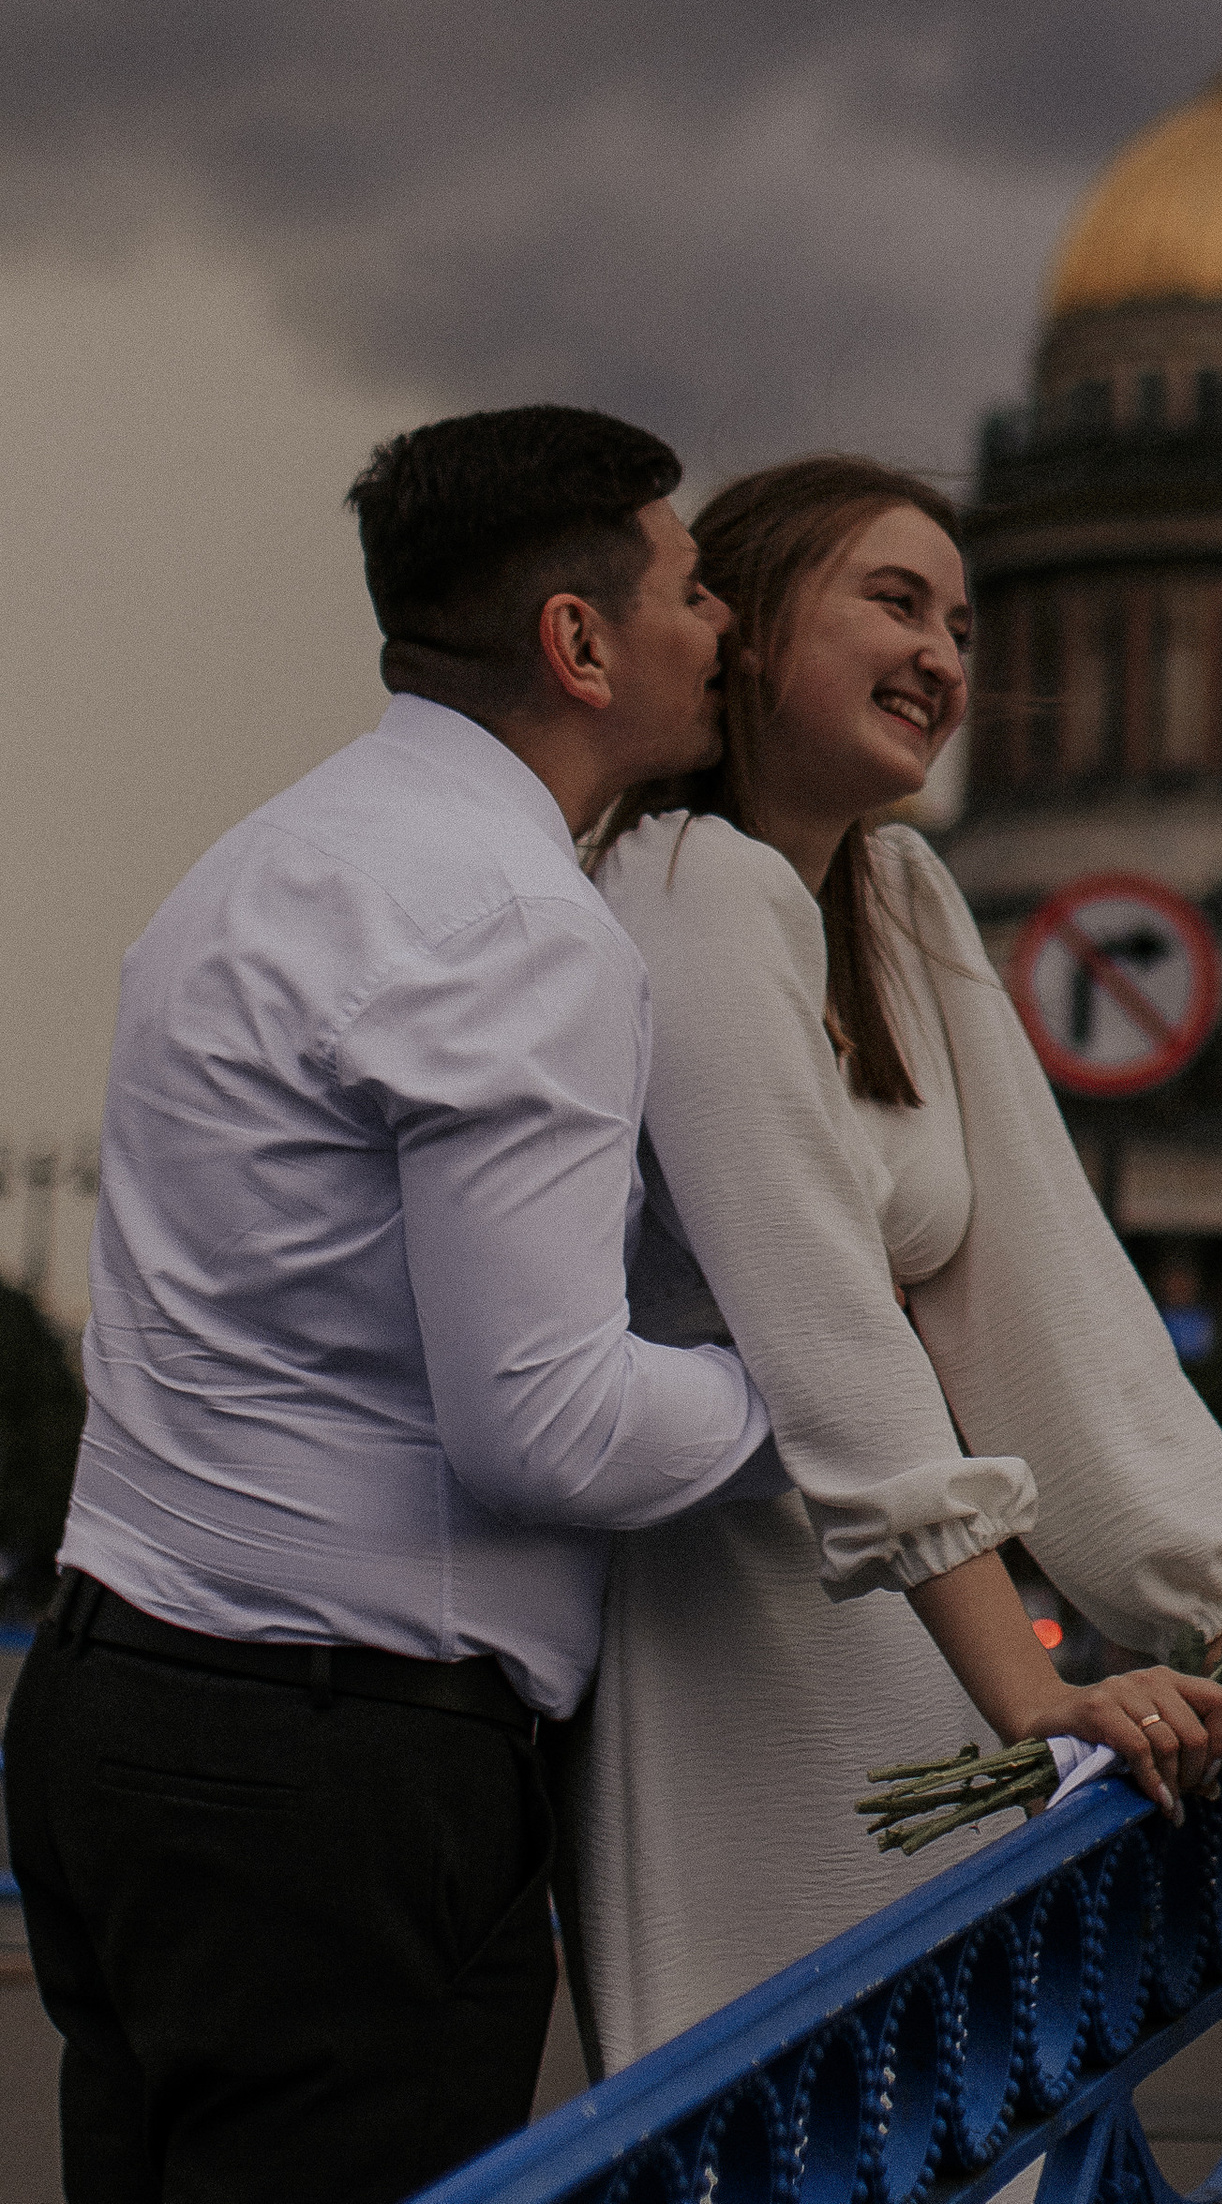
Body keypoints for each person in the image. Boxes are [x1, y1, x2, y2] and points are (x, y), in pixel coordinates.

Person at [4, 406, 782, 2204]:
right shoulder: (515, 920)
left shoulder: (252, 868)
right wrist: (812, 1403)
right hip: (333, 1772)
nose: (721, 627)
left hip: (113, 1700)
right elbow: (550, 1427)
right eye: (686, 591)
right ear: (576, 645)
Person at [558, 454, 1222, 2073]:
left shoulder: (898, 891)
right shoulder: (679, 880)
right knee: (792, 2117)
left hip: (916, 1636)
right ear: (741, 625)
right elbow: (823, 1318)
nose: (945, 654)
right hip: (731, 1644)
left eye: (960, 620)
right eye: (893, 601)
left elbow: (1046, 1296)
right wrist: (1034, 1696)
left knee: (944, 2113)